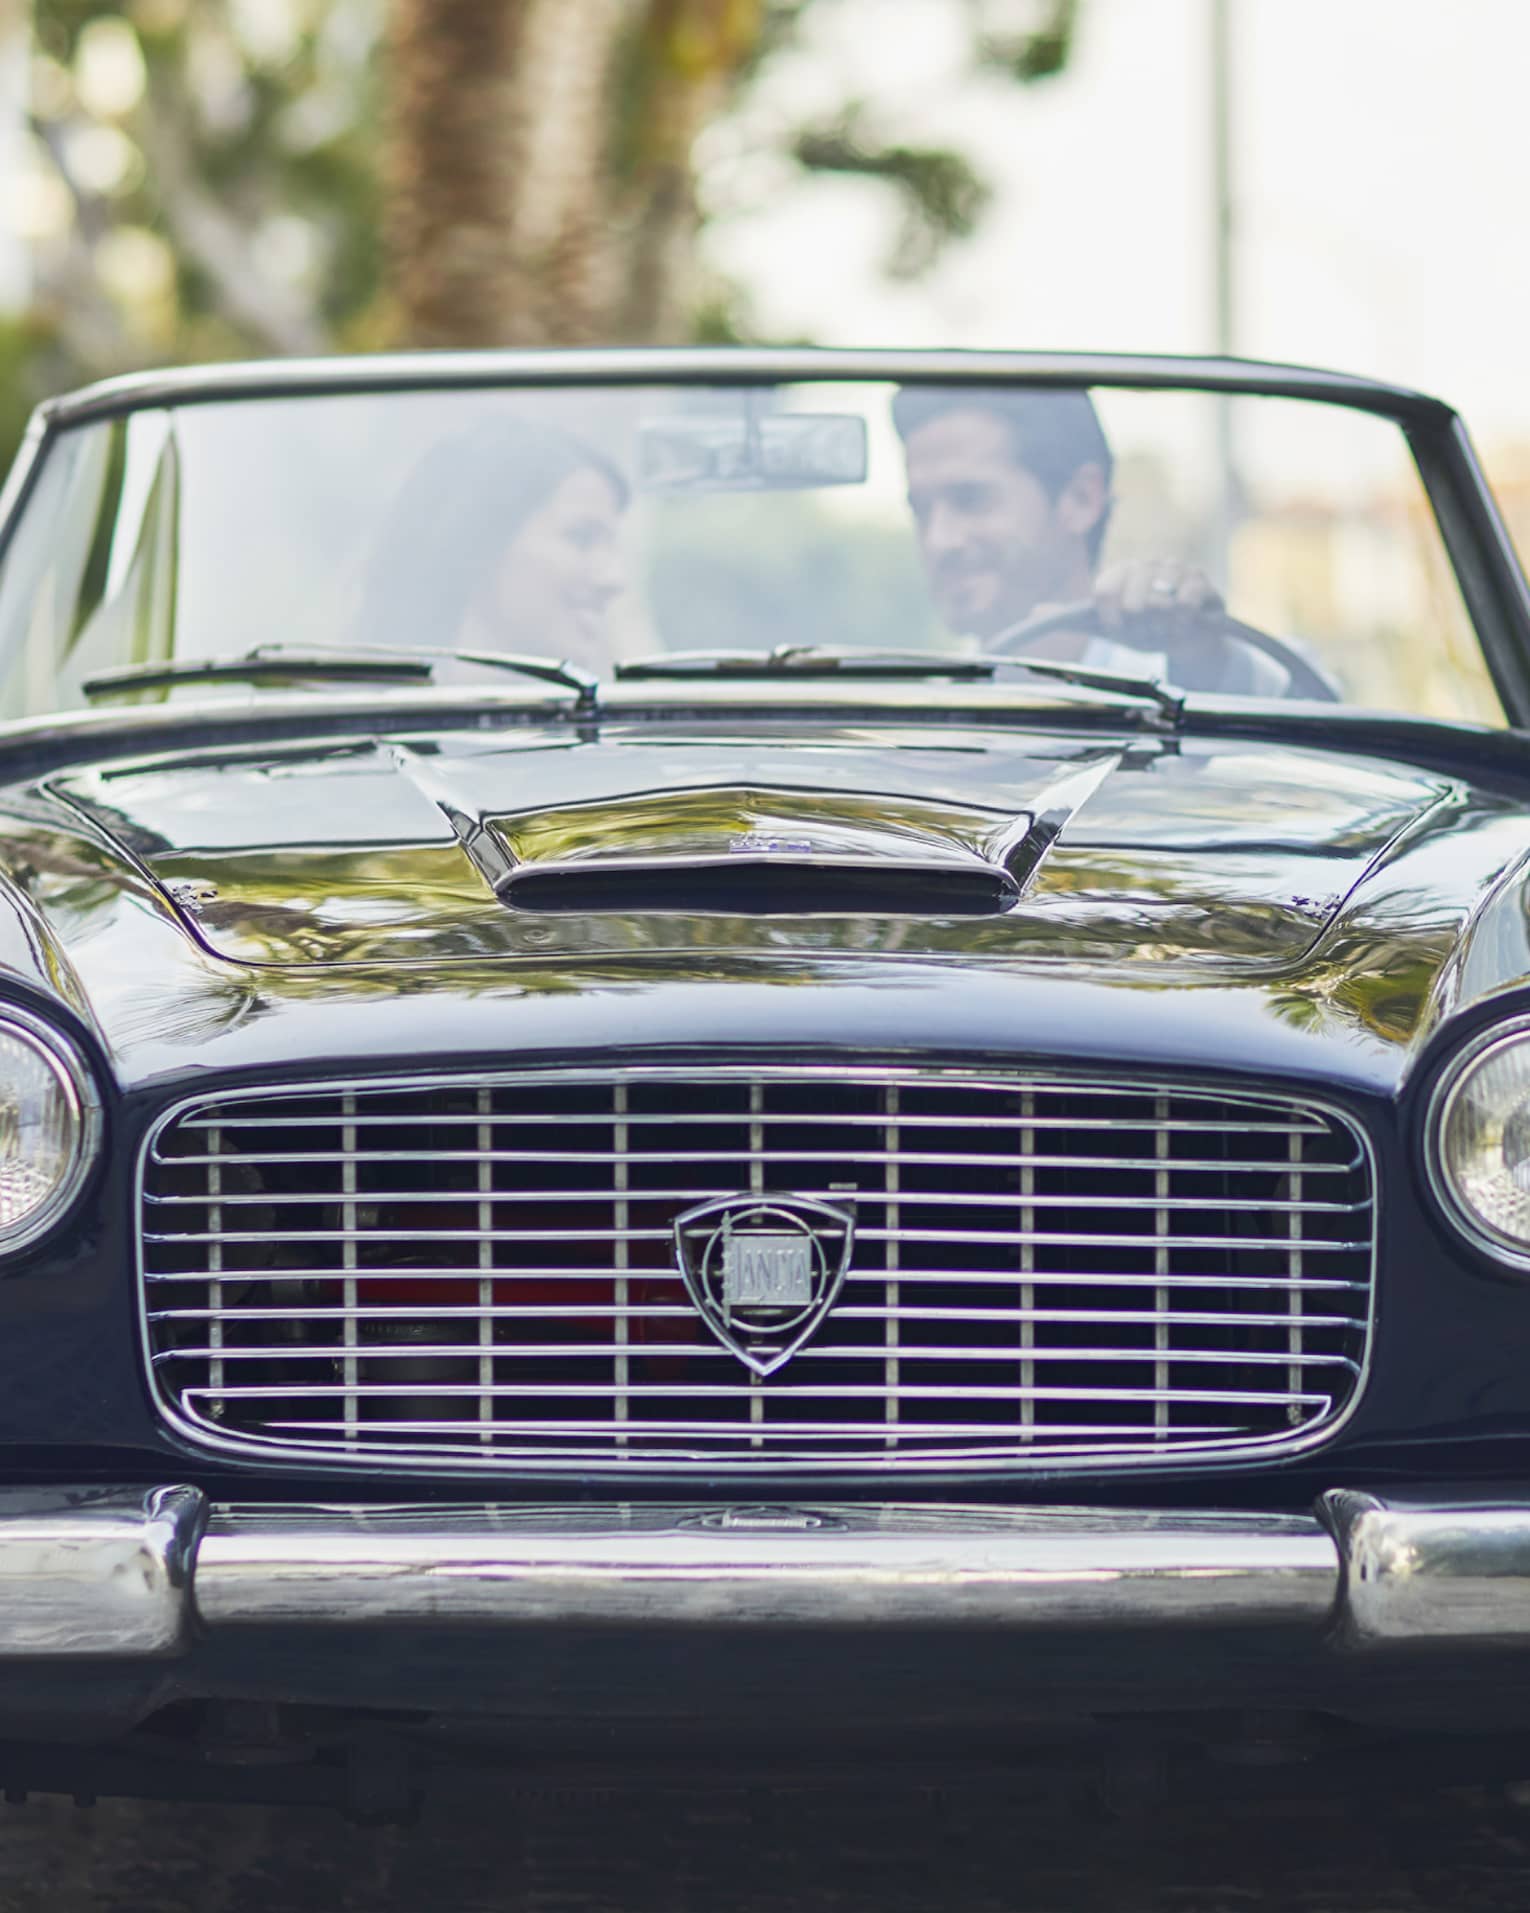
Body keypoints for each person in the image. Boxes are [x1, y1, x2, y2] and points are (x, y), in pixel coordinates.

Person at [891, 385, 1298, 695]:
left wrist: (1204, 655)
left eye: (971, 499)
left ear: (1080, 498)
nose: (939, 540)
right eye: (921, 509)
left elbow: (1301, 718)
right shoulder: (925, 719)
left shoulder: (1183, 683)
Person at [356, 414, 629, 674]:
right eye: (580, 537)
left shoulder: (610, 711)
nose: (612, 579)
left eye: (611, 546)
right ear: (479, 542)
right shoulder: (350, 709)